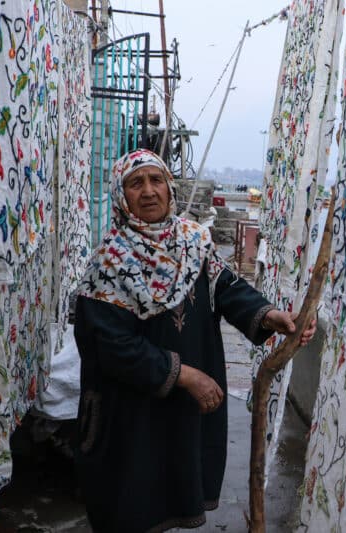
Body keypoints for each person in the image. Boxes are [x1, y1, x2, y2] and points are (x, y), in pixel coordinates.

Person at [73, 149, 316, 532]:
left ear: (170, 189)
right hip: (130, 416)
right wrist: (184, 374)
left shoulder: (194, 244)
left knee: (173, 484)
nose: (149, 191)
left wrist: (272, 316)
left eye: (157, 181)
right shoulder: (108, 264)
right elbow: (110, 347)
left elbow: (229, 290)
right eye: (136, 183)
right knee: (132, 501)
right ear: (122, 196)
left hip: (181, 413)